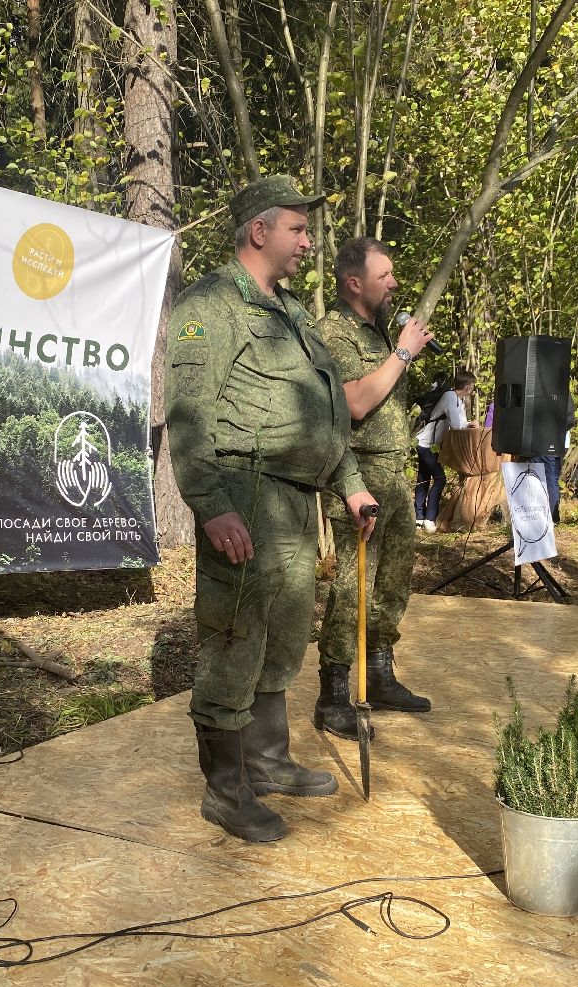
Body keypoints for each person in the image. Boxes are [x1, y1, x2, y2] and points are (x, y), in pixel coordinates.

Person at [165, 175, 377, 844]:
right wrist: (211, 507)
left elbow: (326, 409)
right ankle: (226, 790)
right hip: (243, 493)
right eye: (298, 229)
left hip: (293, 501)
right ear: (260, 232)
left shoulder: (292, 314)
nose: (308, 243)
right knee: (235, 635)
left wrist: (350, 482)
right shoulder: (211, 306)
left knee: (285, 633)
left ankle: (267, 759)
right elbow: (190, 414)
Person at [312, 238, 434, 741]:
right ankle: (334, 691)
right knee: (353, 587)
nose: (395, 283)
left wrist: (399, 349)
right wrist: (405, 351)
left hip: (395, 474)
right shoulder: (333, 334)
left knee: (392, 582)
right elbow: (355, 404)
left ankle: (379, 672)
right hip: (356, 478)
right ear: (353, 282)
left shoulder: (381, 335)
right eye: (386, 275)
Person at [413, 370, 478, 531]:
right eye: (473, 386)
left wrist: (468, 424)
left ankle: (419, 517)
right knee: (440, 479)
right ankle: (429, 519)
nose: (473, 389)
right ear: (468, 386)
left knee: (424, 478)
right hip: (425, 444)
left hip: (428, 444)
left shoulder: (458, 400)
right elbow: (456, 425)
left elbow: (460, 422)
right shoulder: (450, 397)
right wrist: (465, 425)